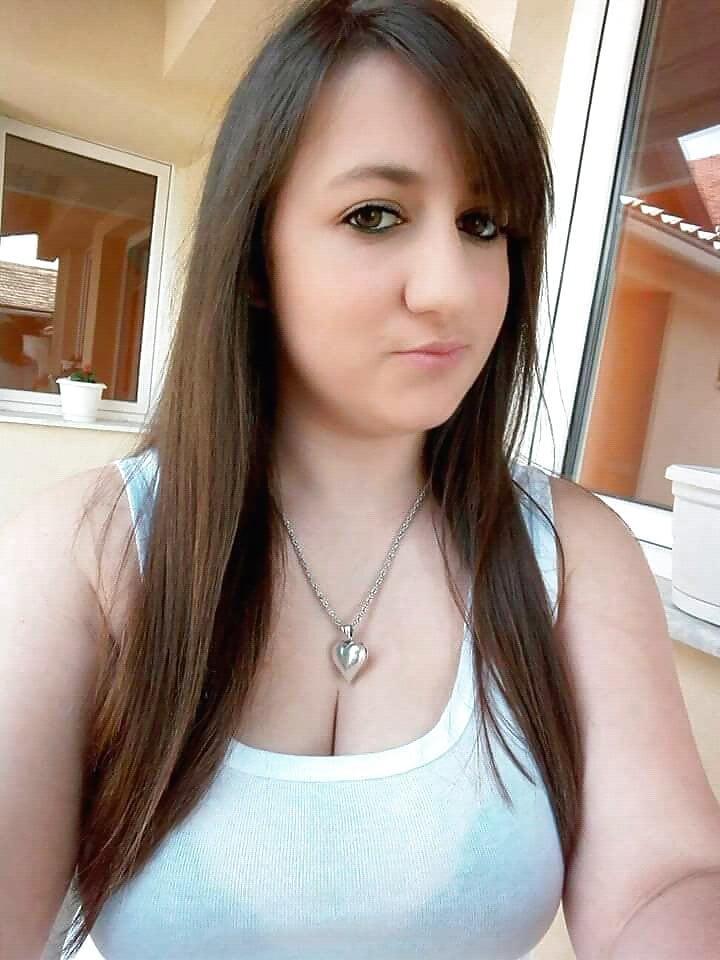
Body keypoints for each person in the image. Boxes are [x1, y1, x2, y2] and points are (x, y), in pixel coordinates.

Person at [2, 2, 719, 959]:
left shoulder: (572, 551)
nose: (451, 289)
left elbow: (664, 881)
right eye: (374, 216)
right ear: (256, 257)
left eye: (482, 224)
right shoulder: (86, 551)